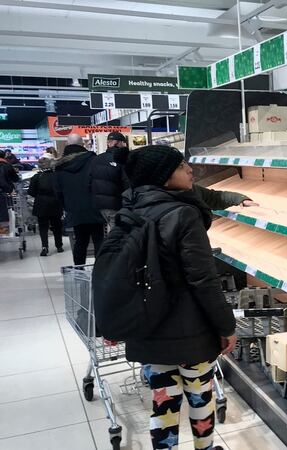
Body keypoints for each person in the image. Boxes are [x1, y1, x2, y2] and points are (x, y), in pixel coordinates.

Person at [122, 145, 235, 450]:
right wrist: (226, 325)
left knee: (163, 400)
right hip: (190, 329)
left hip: (150, 326)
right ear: (164, 176)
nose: (191, 170)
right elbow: (203, 279)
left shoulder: (129, 208)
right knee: (200, 394)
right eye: (182, 165)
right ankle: (206, 447)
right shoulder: (183, 213)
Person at [54, 144, 105, 265]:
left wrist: (66, 207)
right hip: (95, 206)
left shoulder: (60, 167)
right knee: (99, 239)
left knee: (80, 241)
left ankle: (79, 270)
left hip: (74, 208)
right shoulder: (94, 161)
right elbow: (101, 182)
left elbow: (58, 192)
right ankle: (101, 270)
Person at [91, 131, 130, 225]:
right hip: (116, 204)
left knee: (111, 230)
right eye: (123, 143)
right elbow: (126, 183)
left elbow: (89, 181)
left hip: (99, 205)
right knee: (118, 233)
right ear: (118, 143)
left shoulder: (96, 159)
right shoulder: (122, 159)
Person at [28, 157, 64, 256]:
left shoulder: (36, 177)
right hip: (55, 203)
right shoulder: (57, 176)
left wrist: (39, 195)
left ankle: (45, 247)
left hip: (41, 204)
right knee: (57, 225)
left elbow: (31, 191)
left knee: (43, 226)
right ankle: (59, 246)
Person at [0, 152, 20, 225]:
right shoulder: (7, 165)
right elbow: (15, 178)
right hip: (5, 192)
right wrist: (10, 190)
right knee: (6, 212)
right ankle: (5, 232)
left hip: (4, 191)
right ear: (5, 156)